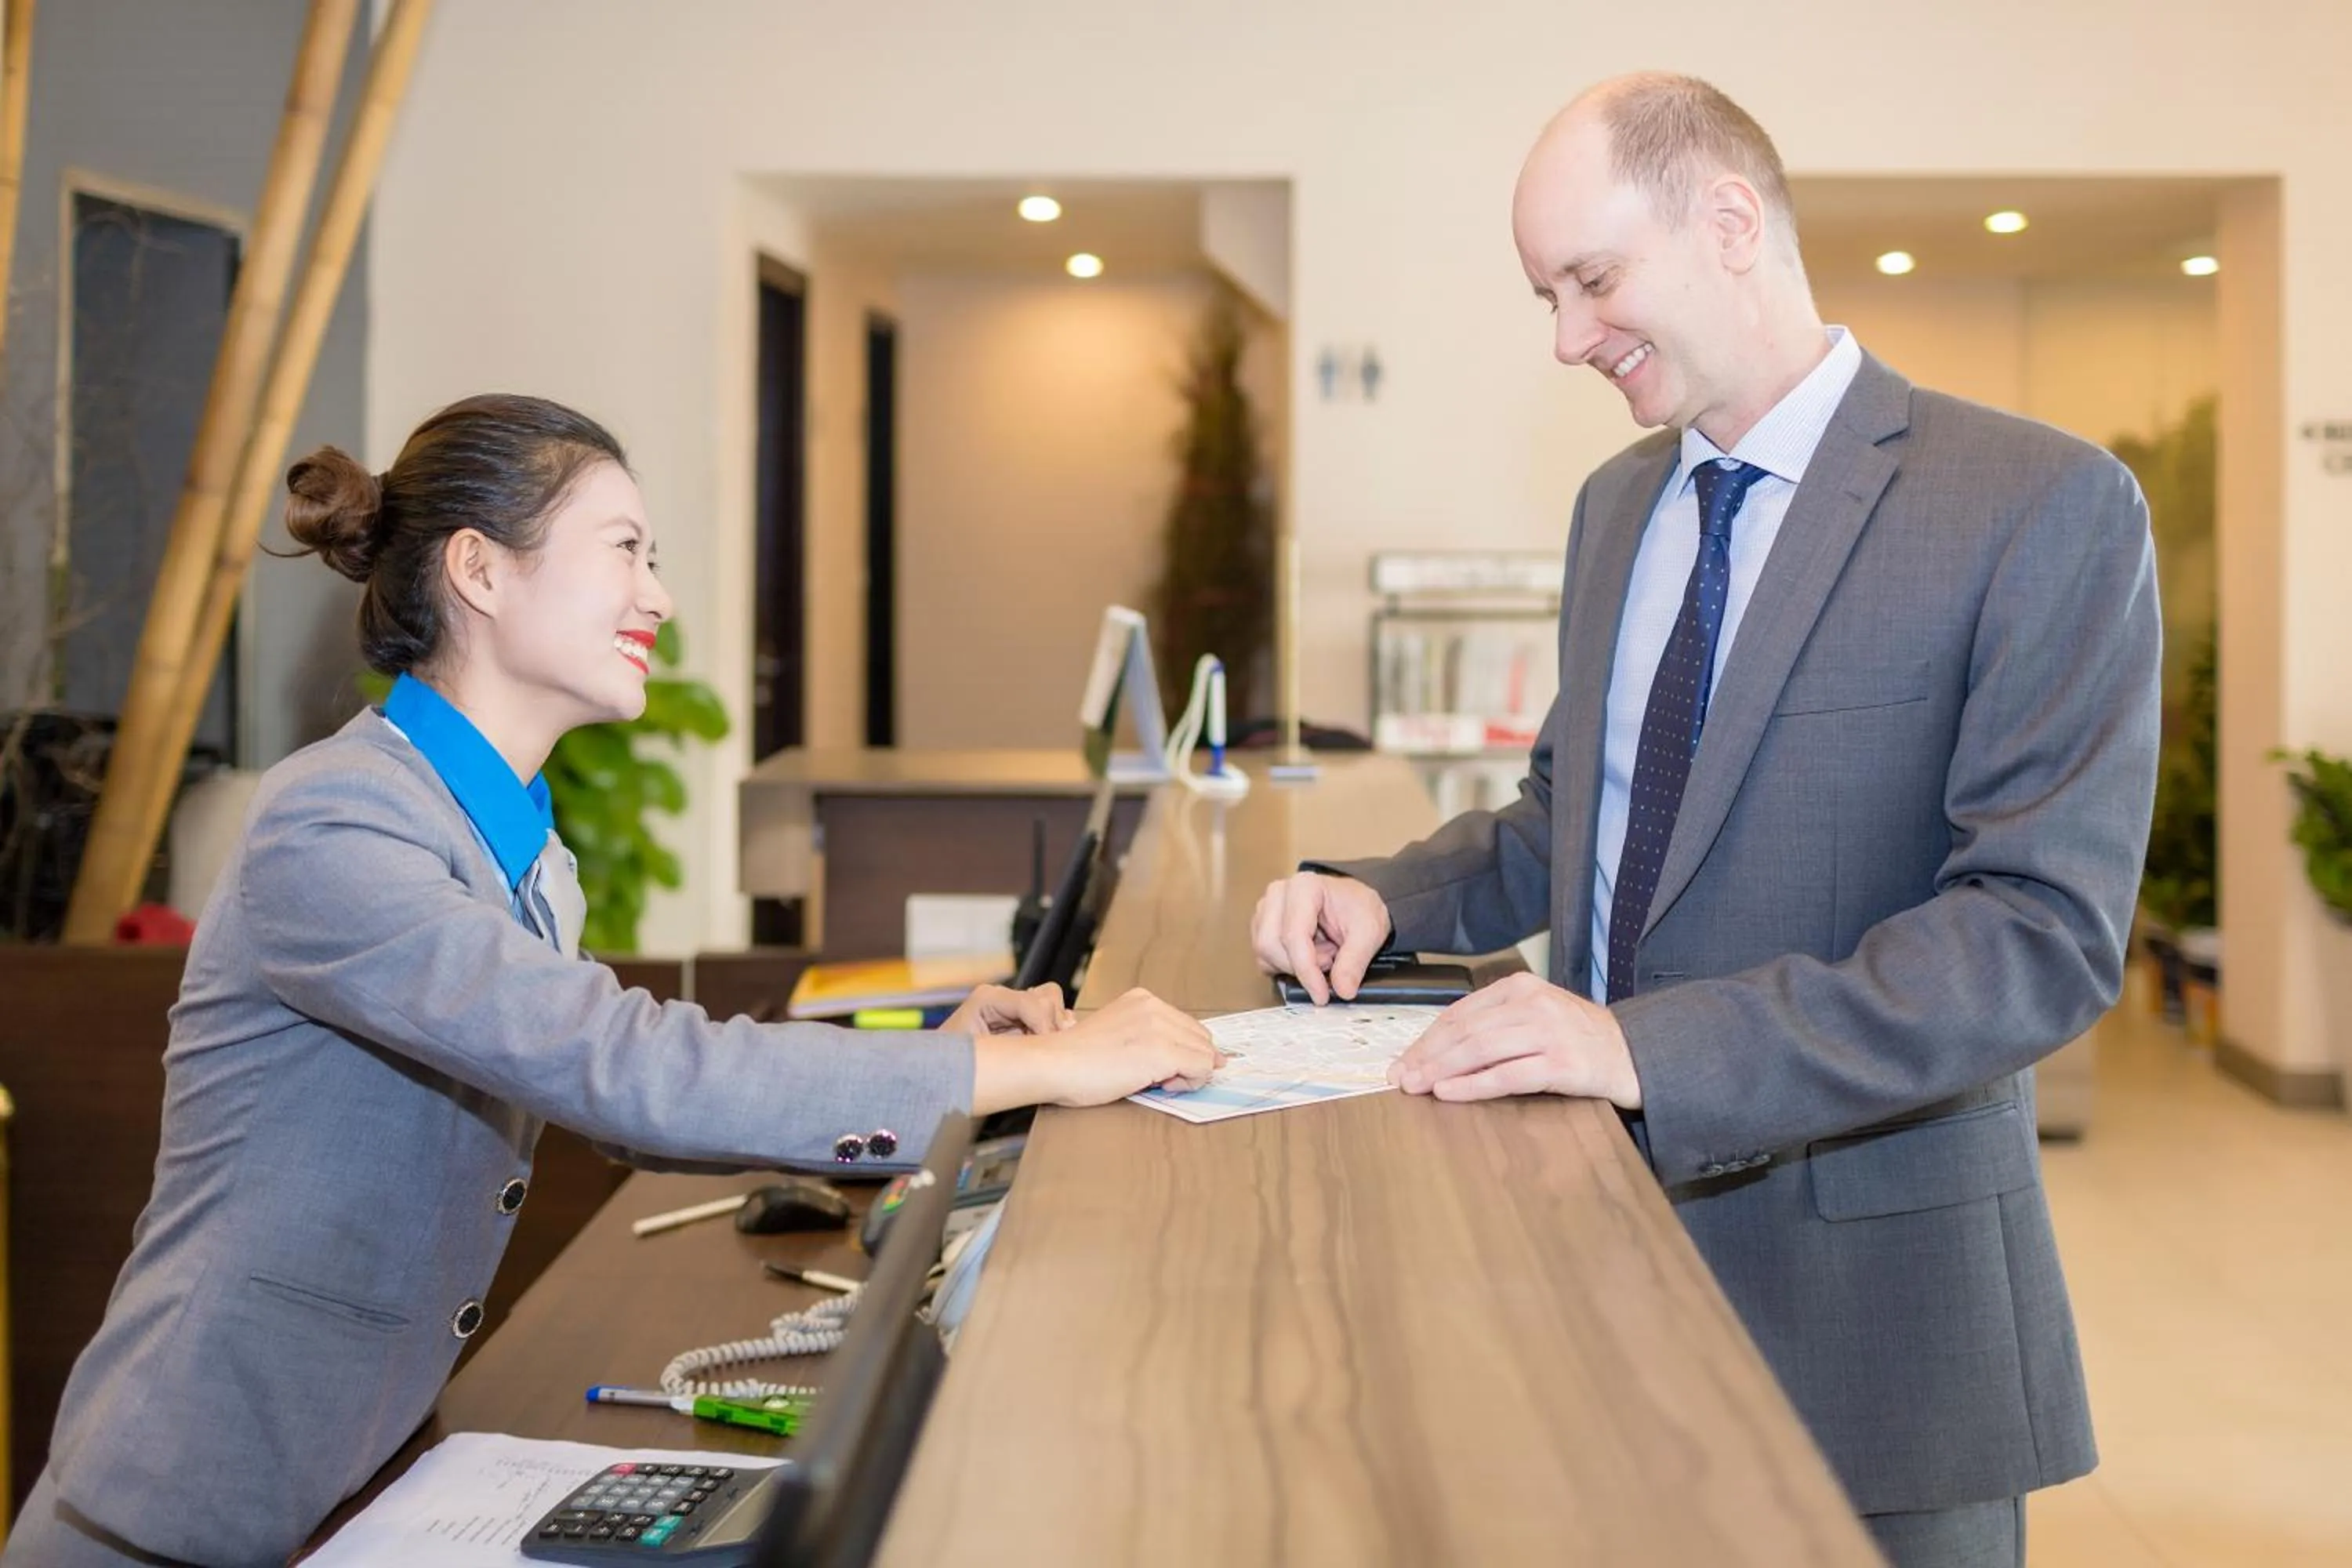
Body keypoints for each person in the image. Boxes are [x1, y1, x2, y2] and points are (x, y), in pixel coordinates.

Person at [8, 394, 1218, 1567]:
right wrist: (1034, 1062)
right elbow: (625, 1068)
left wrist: (944, 1054)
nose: (661, 596)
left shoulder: (520, 846)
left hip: (359, 1469)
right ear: (480, 573)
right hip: (189, 1506)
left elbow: (624, 1083)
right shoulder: (334, 825)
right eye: (626, 550)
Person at [1252, 74, 2158, 1568]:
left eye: (1592, 280)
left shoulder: (2037, 504)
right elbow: (1578, 816)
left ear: (1730, 222)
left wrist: (1642, 1049)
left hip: (1871, 1314)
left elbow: (2035, 940)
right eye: (1546, 294)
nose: (1564, 337)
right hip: (1590, 1256)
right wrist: (1387, 894)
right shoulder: (1618, 506)